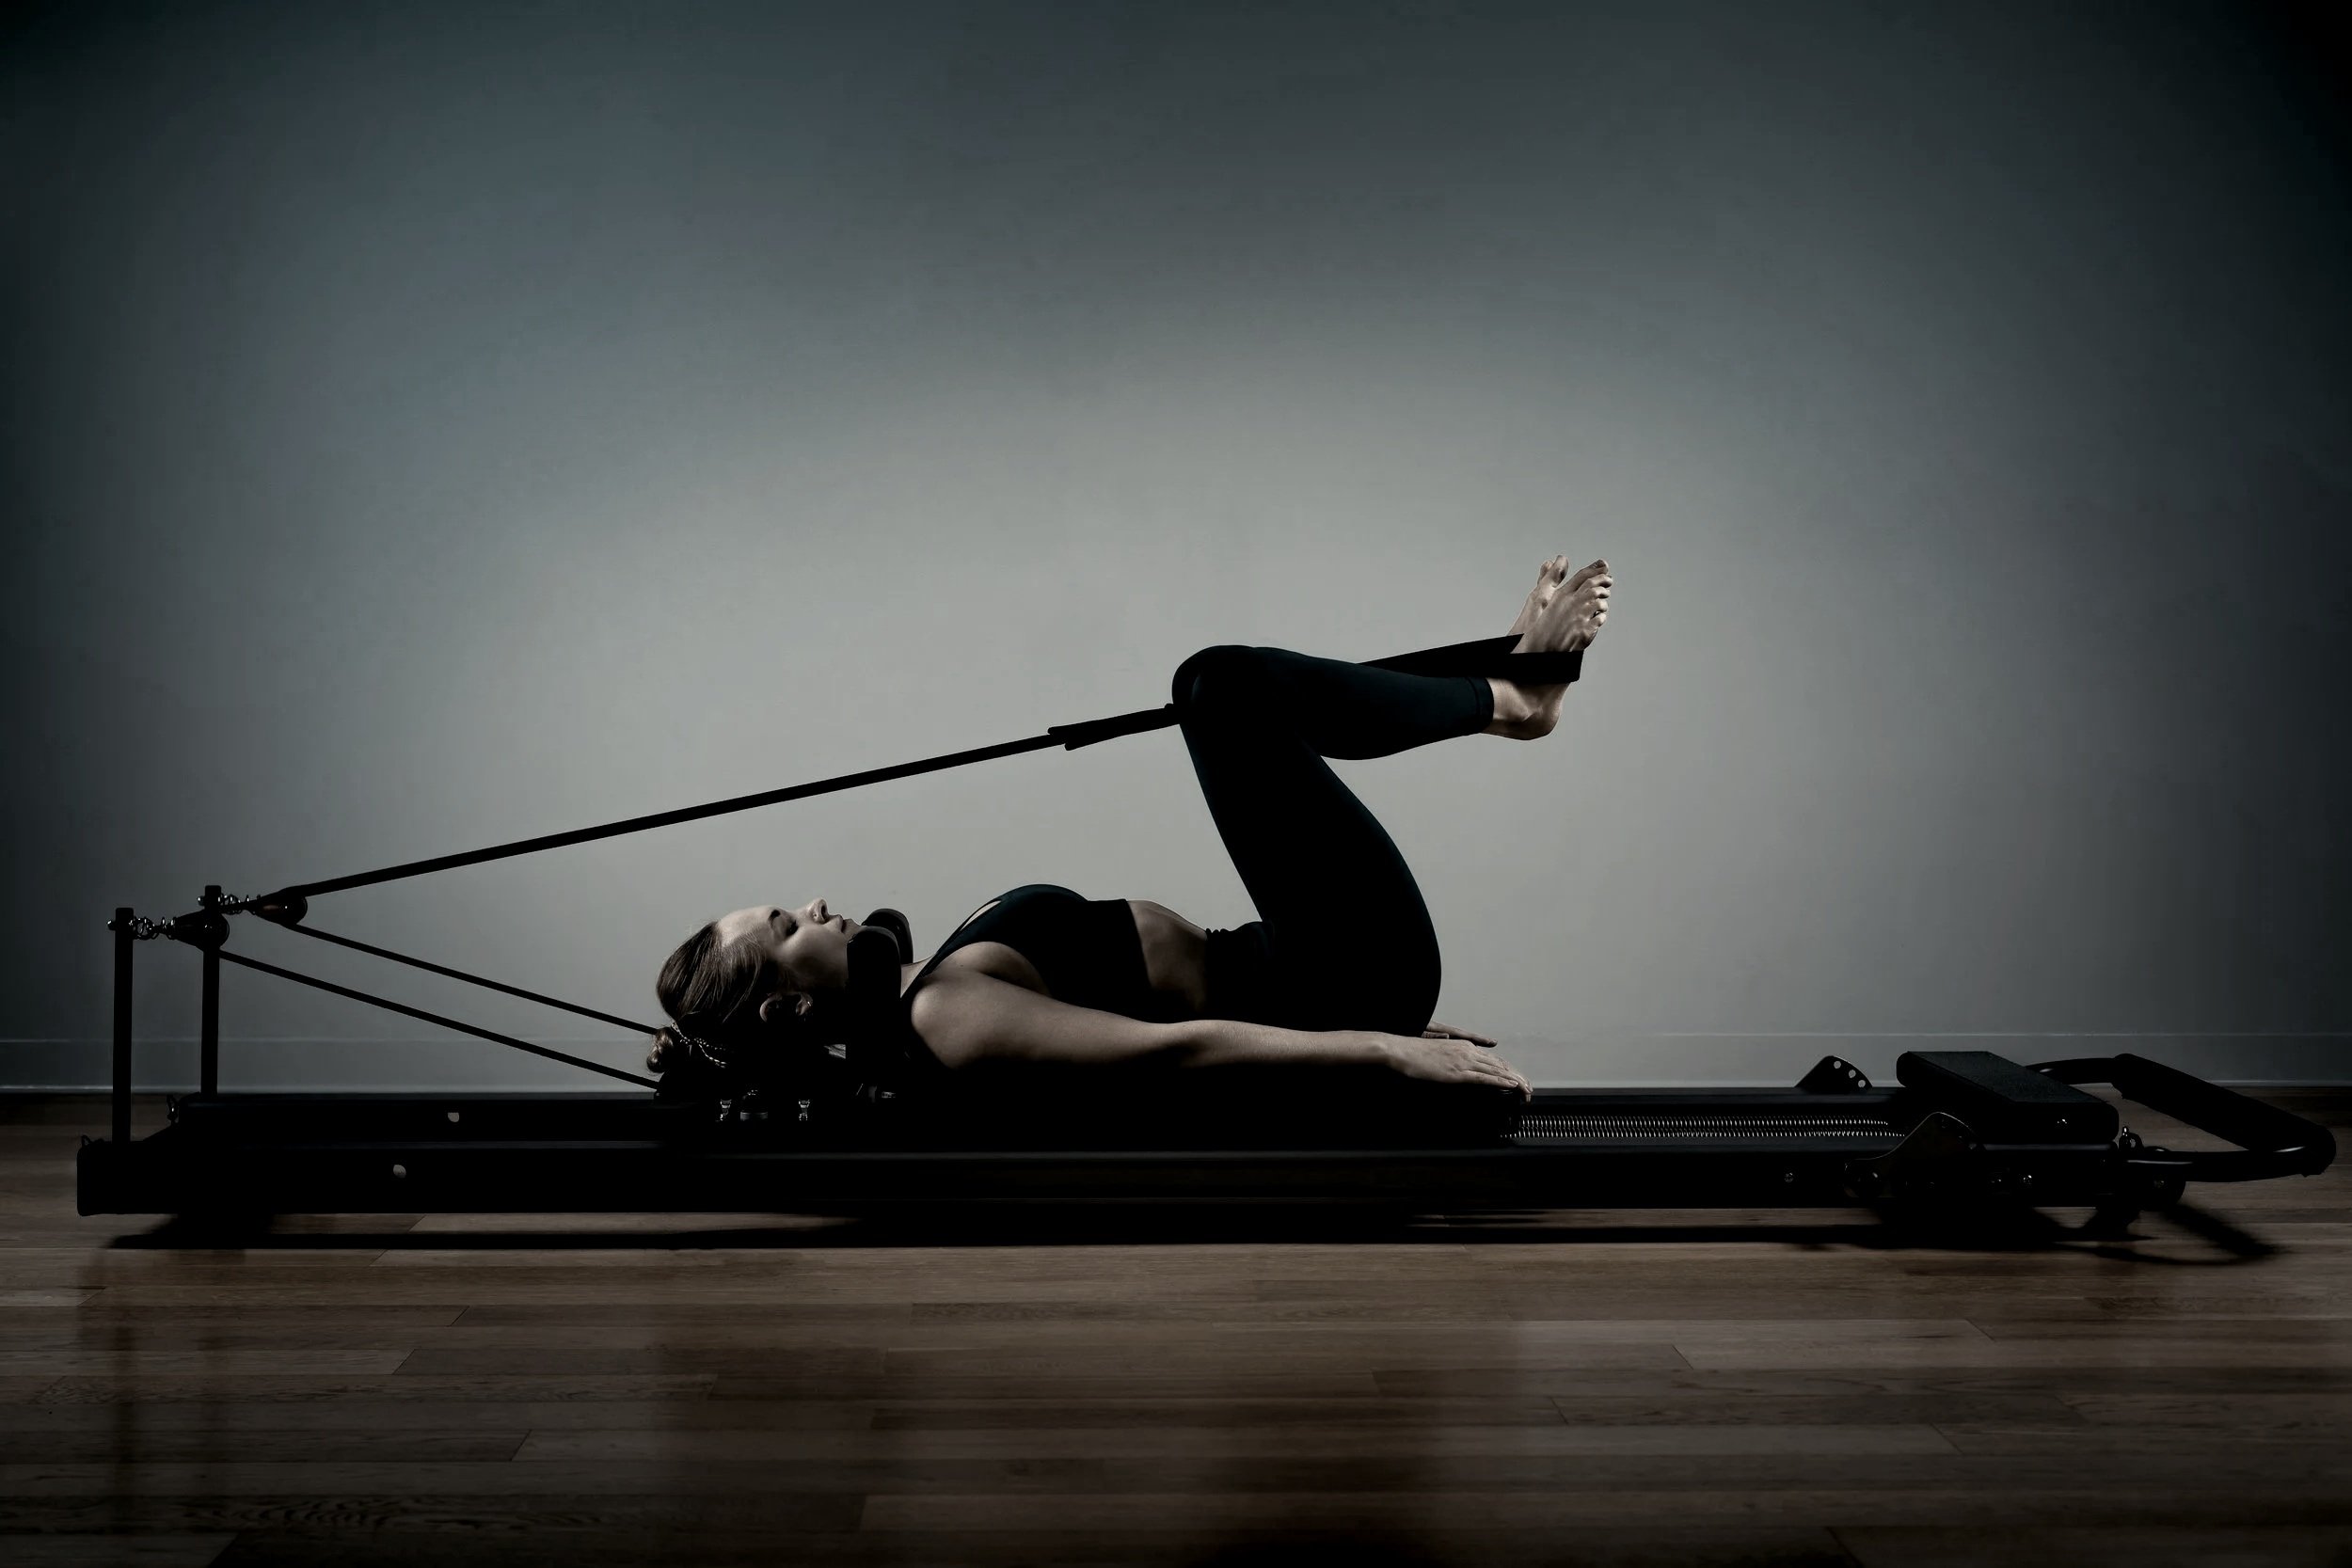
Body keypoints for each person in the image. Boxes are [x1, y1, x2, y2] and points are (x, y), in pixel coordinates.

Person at [648, 556, 1612, 1109]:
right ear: (782, 1009)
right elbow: (1168, 1054)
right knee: (1218, 687)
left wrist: (1381, 1027)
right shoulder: (941, 1015)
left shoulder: (931, 991)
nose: (810, 905)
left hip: (1300, 966)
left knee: (1219, 689)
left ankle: (1507, 689)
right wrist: (1385, 1049)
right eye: (784, 925)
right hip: (1328, 986)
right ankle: (1516, 701)